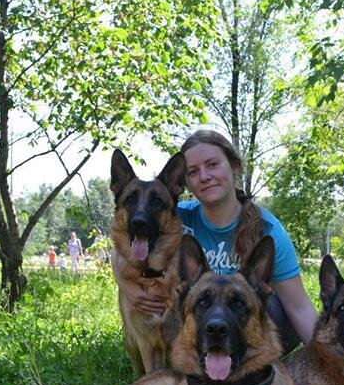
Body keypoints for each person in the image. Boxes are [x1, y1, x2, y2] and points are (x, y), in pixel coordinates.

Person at [113, 129, 318, 353]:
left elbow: (299, 309)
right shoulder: (174, 217)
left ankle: (250, 368)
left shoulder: (268, 230)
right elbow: (125, 240)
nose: (204, 176)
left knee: (264, 302)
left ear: (234, 167)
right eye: (193, 171)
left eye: (212, 165)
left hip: (253, 326)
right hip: (205, 325)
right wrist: (127, 287)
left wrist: (325, 359)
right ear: (185, 183)